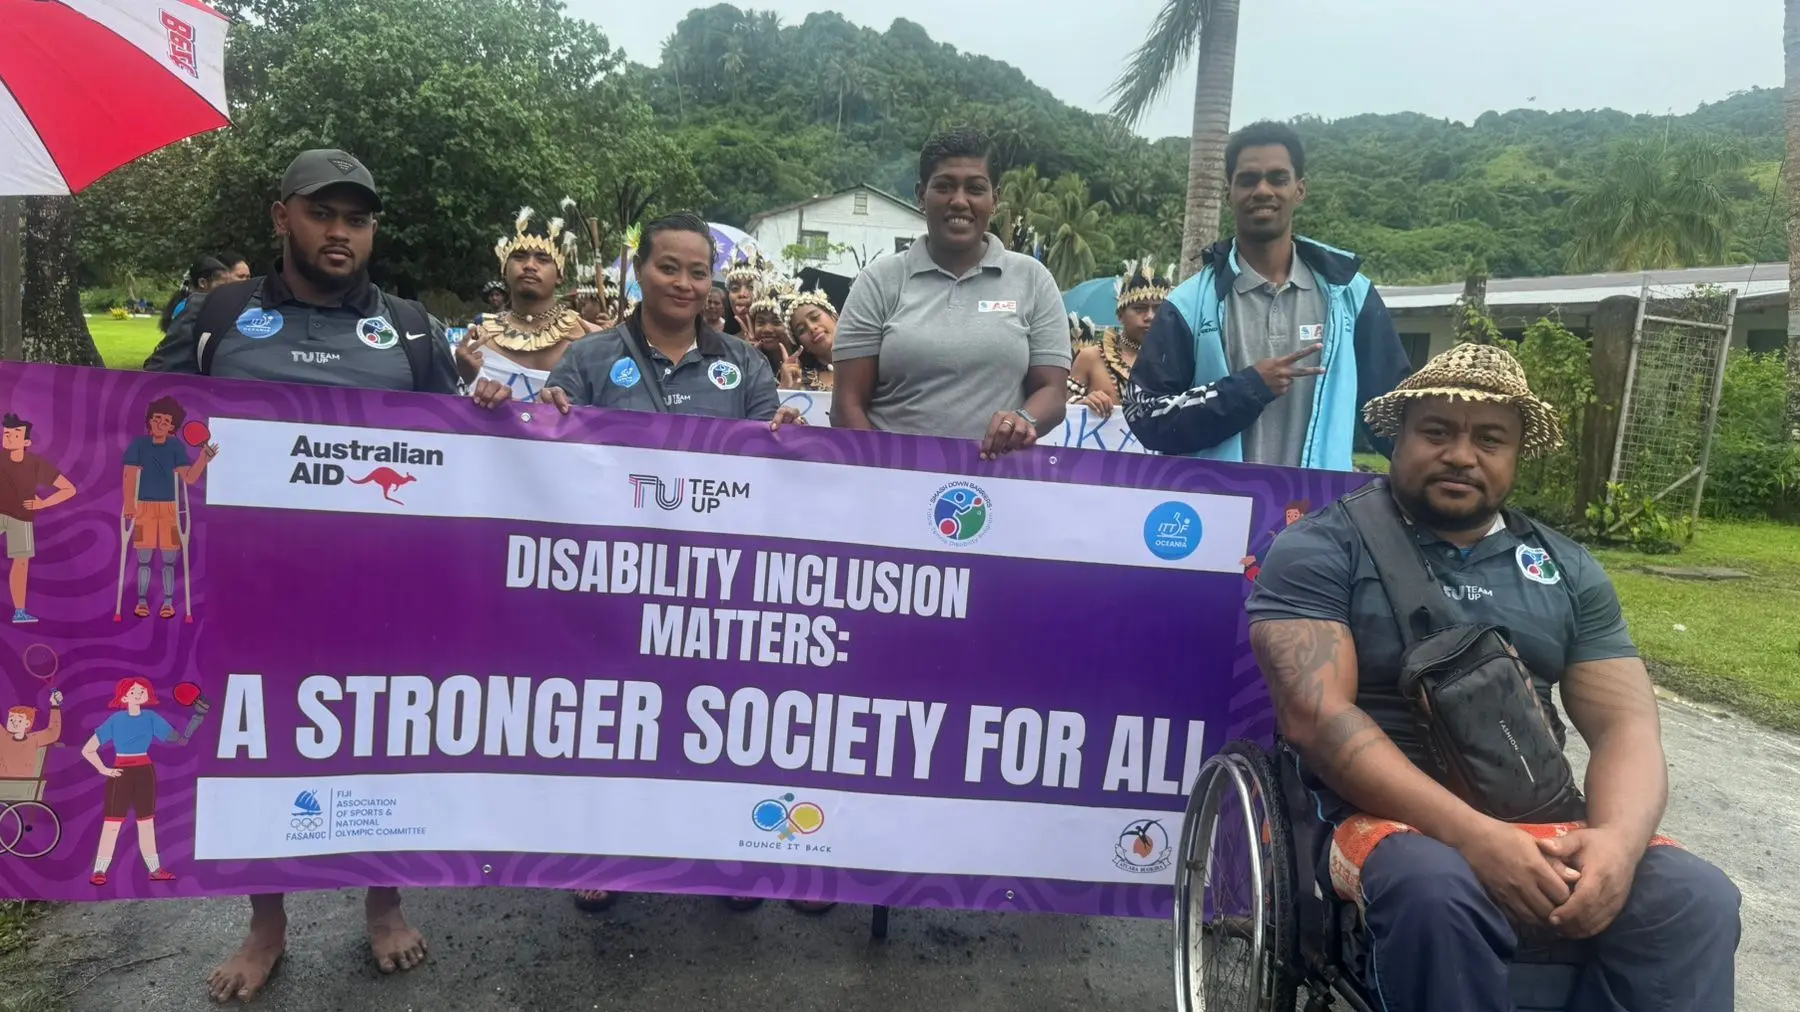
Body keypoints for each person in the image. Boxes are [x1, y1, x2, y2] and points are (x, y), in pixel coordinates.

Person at [1245, 343, 1740, 1012]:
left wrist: (1618, 847)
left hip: (1532, 809)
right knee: (1434, 890)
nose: (1461, 454)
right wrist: (1475, 838)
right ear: (1400, 437)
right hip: (1384, 818)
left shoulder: (1566, 570)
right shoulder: (1321, 549)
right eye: (1437, 432)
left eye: (1489, 439)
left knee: (1693, 896)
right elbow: (1319, 720)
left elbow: (1626, 724)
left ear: (1515, 455)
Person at [143, 148, 439, 1001]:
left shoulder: (411, 329)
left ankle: (383, 903)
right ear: (283, 217)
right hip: (246, 584)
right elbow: (143, 420)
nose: (341, 232)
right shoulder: (220, 315)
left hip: (378, 586)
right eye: (322, 214)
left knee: (381, 736)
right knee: (252, 747)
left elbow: (467, 447)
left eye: (358, 218)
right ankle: (265, 924)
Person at [472, 211, 804, 914]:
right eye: (668, 267)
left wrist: (787, 436)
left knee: (721, 714)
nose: (684, 283)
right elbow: (549, 449)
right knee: (616, 712)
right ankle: (606, 849)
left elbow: (773, 465)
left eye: (697, 271)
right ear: (638, 272)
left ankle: (727, 852)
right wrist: (544, 413)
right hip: (613, 576)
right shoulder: (591, 360)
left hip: (719, 579)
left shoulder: (744, 363)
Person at [1125, 121, 1410, 468]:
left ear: (1300, 190)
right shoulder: (1188, 304)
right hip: (1216, 508)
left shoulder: (1352, 294)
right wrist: (1247, 390)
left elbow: (1395, 416)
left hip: (1321, 513)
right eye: (1247, 180)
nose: (1262, 190)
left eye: (1277, 178)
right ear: (1228, 191)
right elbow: (1146, 415)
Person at [833, 127, 1070, 459]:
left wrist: (1023, 420)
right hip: (890, 483)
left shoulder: (1033, 280)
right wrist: (882, 475)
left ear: (995, 199)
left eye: (975, 189)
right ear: (920, 195)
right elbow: (847, 405)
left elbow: (1053, 393)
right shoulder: (877, 282)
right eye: (943, 187)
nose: (959, 201)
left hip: (995, 488)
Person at [454, 208, 598, 403]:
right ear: (504, 269)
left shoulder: (591, 337)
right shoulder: (477, 341)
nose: (530, 265)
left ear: (560, 275)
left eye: (543, 259)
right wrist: (471, 378)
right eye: (519, 256)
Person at [122, 397, 218, 619]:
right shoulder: (138, 445)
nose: (160, 424)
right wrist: (129, 504)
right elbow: (129, 473)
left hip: (169, 510)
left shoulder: (175, 446)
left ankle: (167, 603)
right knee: (144, 556)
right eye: (157, 419)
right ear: (149, 420)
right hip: (144, 507)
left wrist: (203, 459)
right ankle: (142, 601)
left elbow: (189, 478)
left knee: (168, 557)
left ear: (173, 427)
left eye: (166, 421)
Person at [83, 677, 181, 885]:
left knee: (146, 823)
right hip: (121, 773)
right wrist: (104, 770)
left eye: (142, 690)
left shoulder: (151, 717)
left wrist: (191, 727)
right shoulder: (115, 720)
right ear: (124, 696)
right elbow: (88, 749)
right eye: (134, 691)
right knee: (112, 823)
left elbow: (174, 737)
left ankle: (155, 869)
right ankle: (99, 870)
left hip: (145, 772)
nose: (139, 693)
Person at [1067, 259, 1168, 419]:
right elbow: (1061, 411)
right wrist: (1084, 403)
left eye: (1158, 309)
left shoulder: (1175, 362)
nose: (1150, 316)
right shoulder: (1091, 357)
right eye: (1140, 309)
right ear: (1120, 315)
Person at [1, 413, 76, 625]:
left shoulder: (36, 464)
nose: (9, 437)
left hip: (22, 517)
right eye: (6, 433)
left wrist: (43, 503)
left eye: (15, 434)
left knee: (21, 563)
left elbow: (69, 489)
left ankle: (20, 611)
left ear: (26, 441)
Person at [157, 256, 231, 334]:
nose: (228, 290)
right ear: (202, 283)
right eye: (222, 286)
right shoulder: (185, 309)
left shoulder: (204, 306)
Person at [784, 284, 837, 392]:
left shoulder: (870, 358)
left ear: (834, 317)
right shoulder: (801, 382)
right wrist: (786, 391)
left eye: (815, 318)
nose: (812, 327)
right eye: (802, 330)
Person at [0, 690, 62, 780]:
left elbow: (53, 732)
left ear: (27, 723)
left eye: (19, 720)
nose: (14, 723)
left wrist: (55, 706)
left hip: (24, 785)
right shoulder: (3, 737)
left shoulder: (33, 739)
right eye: (11, 719)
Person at [722, 247, 769, 337]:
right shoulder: (721, 343)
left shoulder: (776, 340)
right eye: (735, 288)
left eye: (751, 287)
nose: (742, 294)